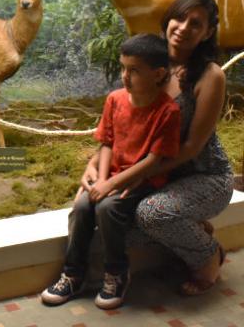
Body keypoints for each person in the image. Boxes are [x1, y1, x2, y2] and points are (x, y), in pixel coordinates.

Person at [78, 0, 234, 296]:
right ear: (168, 19)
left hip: (204, 175)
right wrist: (95, 165)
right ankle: (193, 229)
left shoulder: (209, 75)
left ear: (208, 33)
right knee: (112, 219)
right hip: (158, 174)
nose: (183, 27)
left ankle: (208, 257)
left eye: (196, 23)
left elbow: (190, 147)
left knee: (150, 213)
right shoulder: (150, 60)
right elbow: (121, 127)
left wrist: (129, 177)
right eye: (179, 17)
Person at [41, 34, 180, 310]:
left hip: (142, 181)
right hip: (112, 175)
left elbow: (153, 161)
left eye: (134, 70)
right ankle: (73, 274)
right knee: (82, 205)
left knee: (107, 208)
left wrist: (111, 185)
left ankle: (116, 272)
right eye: (123, 68)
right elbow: (107, 142)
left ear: (158, 74)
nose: (125, 76)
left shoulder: (168, 111)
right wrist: (102, 181)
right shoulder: (115, 100)